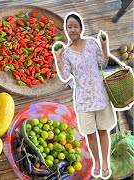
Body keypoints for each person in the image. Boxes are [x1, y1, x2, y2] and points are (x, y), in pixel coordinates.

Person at [53, 12, 116, 179]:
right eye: (69, 27)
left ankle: (105, 164)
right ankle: (96, 161)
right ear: (66, 31)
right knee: (90, 134)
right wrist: (58, 57)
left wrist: (104, 45)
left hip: (100, 95)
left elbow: (102, 63)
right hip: (83, 99)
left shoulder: (91, 43)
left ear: (81, 28)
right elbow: (65, 75)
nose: (72, 29)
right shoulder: (66, 53)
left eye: (75, 26)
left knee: (103, 131)